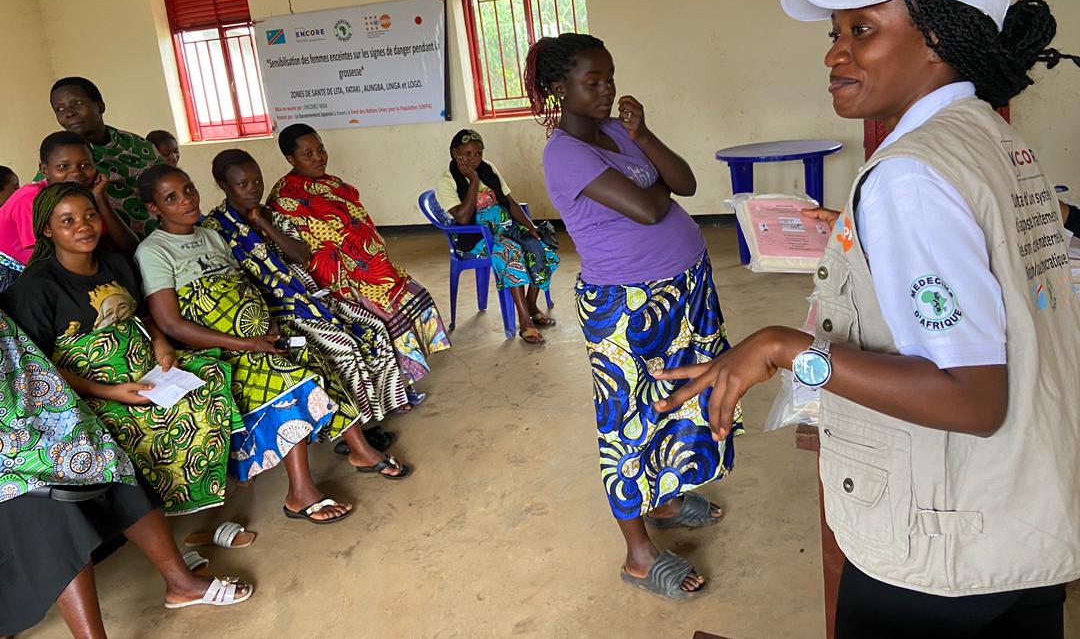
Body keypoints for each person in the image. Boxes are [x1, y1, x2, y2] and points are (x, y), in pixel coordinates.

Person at [653, 0, 1080, 637]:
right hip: (1019, 518)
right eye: (835, 33)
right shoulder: (993, 139)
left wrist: (788, 351)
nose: (836, 54)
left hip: (940, 547)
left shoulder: (910, 175)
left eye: (863, 29)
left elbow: (972, 398)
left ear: (939, 39)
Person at [525, 33, 740, 600]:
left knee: (678, 399)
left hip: (685, 289)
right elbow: (649, 208)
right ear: (558, 89)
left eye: (610, 78)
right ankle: (639, 556)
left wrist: (643, 136)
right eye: (591, 82)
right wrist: (657, 179)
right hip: (628, 306)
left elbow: (686, 183)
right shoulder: (565, 153)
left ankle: (666, 497)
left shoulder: (620, 132)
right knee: (627, 422)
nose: (606, 91)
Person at [135, 165, 409, 522]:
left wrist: (269, 326)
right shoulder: (154, 251)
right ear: (154, 208)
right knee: (287, 375)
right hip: (220, 348)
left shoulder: (211, 236)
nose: (186, 200)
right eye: (172, 197)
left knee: (316, 353)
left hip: (258, 333)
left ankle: (360, 450)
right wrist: (244, 344)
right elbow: (172, 322)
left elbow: (241, 287)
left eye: (188, 189)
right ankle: (300, 493)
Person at [0, 310, 253, 638]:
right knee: (43, 509)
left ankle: (181, 582)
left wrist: (48, 433)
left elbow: (27, 373)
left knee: (105, 458)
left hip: (31, 427)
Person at [2, 182, 240, 517]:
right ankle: (167, 511)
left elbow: (144, 314)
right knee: (146, 419)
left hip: (146, 367)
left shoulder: (115, 263)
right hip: (87, 387)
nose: (84, 226)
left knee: (210, 377)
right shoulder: (35, 288)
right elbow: (39, 370)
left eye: (89, 215)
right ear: (46, 229)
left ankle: (206, 501)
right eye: (67, 221)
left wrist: (161, 343)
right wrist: (110, 391)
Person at [205, 149, 407, 447]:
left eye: (257, 180)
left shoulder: (269, 213)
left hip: (308, 295)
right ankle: (346, 434)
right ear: (224, 186)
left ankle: (369, 419)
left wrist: (264, 224)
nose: (254, 188)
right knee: (344, 348)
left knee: (373, 328)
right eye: (243, 184)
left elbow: (299, 254)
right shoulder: (217, 228)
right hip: (278, 311)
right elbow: (238, 281)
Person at [267, 124, 450, 392]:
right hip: (338, 281)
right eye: (308, 154)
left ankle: (406, 374)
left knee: (418, 296)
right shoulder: (284, 199)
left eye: (320, 149)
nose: (319, 157)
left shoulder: (331, 184)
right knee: (385, 316)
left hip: (373, 266)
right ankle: (397, 387)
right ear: (290, 159)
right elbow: (298, 252)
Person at [435, 129, 559, 344]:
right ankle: (524, 322)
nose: (473, 159)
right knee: (510, 253)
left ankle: (531, 304)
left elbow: (510, 202)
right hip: (475, 239)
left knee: (541, 243)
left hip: (506, 229)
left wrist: (531, 226)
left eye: (478, 154)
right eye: (467, 153)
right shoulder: (447, 182)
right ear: (454, 152)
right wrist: (473, 180)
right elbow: (463, 218)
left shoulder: (488, 169)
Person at [47, 76, 164, 238]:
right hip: (104, 247)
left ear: (100, 106)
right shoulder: (60, 159)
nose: (69, 113)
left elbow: (169, 186)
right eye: (59, 109)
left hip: (161, 239)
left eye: (77, 103)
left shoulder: (138, 145)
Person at [0, 131, 137, 265]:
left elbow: (129, 247)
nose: (76, 173)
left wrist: (100, 198)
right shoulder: (30, 199)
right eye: (63, 167)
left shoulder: (84, 195)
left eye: (85, 165)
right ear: (44, 170)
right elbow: (41, 262)